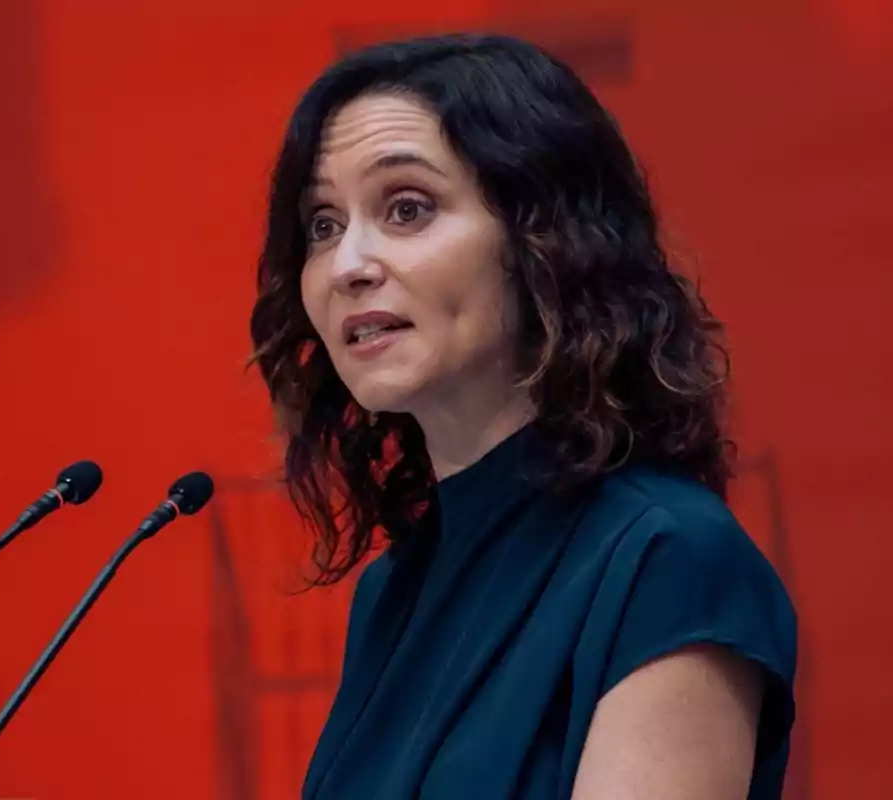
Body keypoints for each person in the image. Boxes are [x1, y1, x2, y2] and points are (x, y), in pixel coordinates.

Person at [249, 33, 796, 800]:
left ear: (546, 242)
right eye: (323, 225)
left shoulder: (667, 559)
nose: (348, 264)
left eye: (407, 208)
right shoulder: (395, 588)